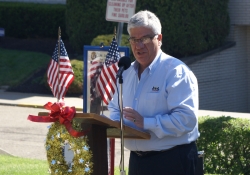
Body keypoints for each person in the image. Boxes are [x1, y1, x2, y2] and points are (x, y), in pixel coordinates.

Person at [108, 10, 200, 175]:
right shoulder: (126, 73)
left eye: (145, 39)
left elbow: (186, 120)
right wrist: (115, 123)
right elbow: (115, 108)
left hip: (172, 161)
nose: (138, 45)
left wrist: (146, 123)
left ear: (159, 39)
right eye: (134, 40)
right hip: (137, 162)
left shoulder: (176, 72)